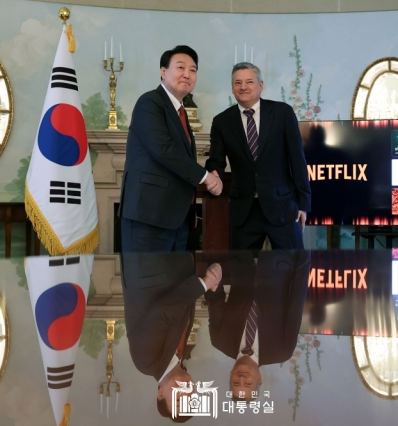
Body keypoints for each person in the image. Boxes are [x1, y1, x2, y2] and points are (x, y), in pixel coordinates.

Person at [119, 45, 222, 252]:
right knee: (148, 282)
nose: (187, 74)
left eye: (193, 70)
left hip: (176, 220)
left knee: (177, 282)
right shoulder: (150, 102)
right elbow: (163, 150)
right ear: (163, 71)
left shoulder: (180, 111)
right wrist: (206, 177)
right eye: (181, 67)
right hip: (149, 219)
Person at [205, 62, 311, 250]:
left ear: (260, 85)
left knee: (293, 270)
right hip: (244, 211)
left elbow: (297, 159)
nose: (243, 87)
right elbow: (216, 160)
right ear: (232, 88)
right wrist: (213, 177)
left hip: (283, 207)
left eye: (249, 82)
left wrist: (303, 203)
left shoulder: (282, 113)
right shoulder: (221, 121)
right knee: (241, 273)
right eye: (237, 83)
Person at [121, 251, 222, 421]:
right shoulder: (178, 354)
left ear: (160, 394)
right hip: (176, 259)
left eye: (177, 399)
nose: (184, 392)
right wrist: (213, 276)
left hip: (149, 260)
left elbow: (162, 312)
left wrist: (204, 284)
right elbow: (182, 304)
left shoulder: (146, 362)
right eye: (190, 398)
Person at [205, 250, 310, 399]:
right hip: (280, 260)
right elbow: (296, 302)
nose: (241, 378)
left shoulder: (219, 340)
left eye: (235, 382)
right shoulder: (282, 351)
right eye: (247, 384)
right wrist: (304, 258)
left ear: (230, 375)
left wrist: (212, 271)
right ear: (259, 379)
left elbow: (215, 299)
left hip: (241, 256)